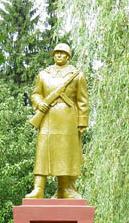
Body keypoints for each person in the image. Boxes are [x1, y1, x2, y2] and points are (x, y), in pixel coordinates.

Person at [25, 43, 89, 199]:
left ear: (68, 56)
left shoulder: (76, 75)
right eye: (57, 53)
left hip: (68, 118)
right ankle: (38, 188)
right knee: (42, 151)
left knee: (66, 153)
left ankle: (65, 188)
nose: (59, 56)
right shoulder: (44, 74)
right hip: (48, 116)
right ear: (53, 55)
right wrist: (41, 104)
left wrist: (82, 121)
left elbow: (82, 100)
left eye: (63, 53)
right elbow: (36, 94)